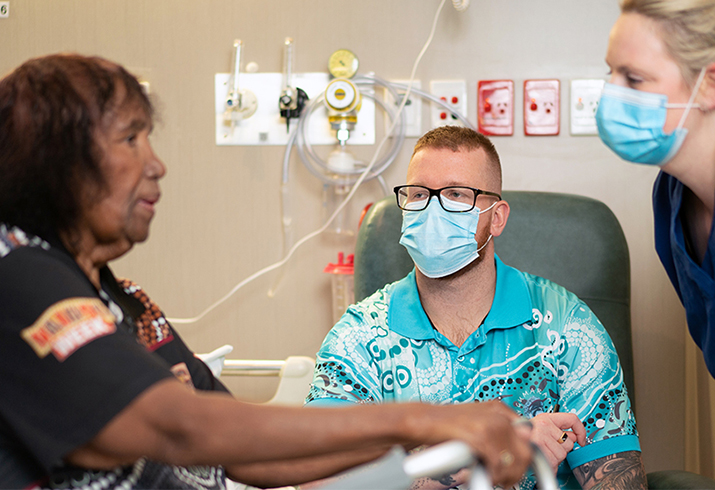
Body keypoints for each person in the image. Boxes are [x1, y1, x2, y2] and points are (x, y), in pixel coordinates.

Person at [0, 54, 534, 490]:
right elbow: (175, 426)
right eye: (131, 139)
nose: (157, 163)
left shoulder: (125, 303)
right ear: (59, 157)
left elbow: (249, 456)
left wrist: (435, 436)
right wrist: (419, 418)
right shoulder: (19, 276)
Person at [305, 126, 647, 490]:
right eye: (419, 194)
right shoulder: (358, 338)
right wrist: (476, 454)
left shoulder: (567, 327)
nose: (433, 209)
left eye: (456, 194)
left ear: (496, 217)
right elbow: (316, 481)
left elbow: (621, 482)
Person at [595, 0, 715, 377]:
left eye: (634, 79)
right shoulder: (671, 195)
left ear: (709, 84)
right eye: (610, 72)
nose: (609, 93)